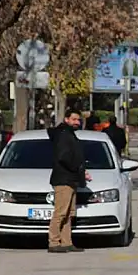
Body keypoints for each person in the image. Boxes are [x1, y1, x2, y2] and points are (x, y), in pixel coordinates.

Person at [47, 108, 92, 253]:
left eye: (78, 120)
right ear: (66, 119)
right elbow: (64, 157)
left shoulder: (69, 134)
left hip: (71, 179)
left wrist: (81, 172)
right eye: (73, 119)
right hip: (64, 179)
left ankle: (66, 242)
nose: (76, 122)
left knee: (68, 213)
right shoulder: (64, 135)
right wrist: (77, 168)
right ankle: (54, 242)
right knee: (60, 213)